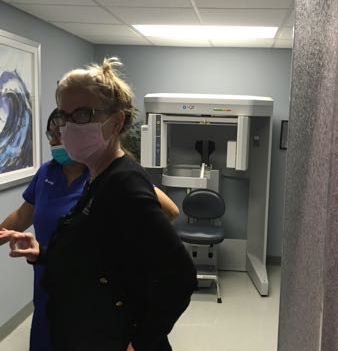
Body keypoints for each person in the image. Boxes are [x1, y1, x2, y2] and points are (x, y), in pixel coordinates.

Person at [0, 57, 197, 351]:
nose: (67, 127)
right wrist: (42, 254)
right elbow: (95, 259)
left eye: (82, 114)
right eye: (64, 116)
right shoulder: (98, 177)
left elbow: (180, 276)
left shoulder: (125, 184)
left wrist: (140, 342)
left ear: (116, 122)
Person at [0, 108, 89, 351]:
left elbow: (167, 211)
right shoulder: (46, 172)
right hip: (47, 280)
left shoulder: (105, 174)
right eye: (51, 135)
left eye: (60, 134)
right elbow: (22, 216)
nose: (53, 142)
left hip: (87, 288)